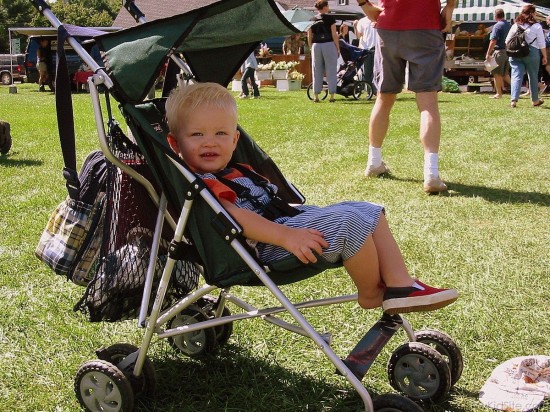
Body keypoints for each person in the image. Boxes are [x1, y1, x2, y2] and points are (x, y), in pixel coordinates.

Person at [165, 82, 459, 315]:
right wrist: (286, 236)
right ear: (175, 143)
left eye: (220, 133)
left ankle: (400, 284)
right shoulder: (203, 184)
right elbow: (233, 217)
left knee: (368, 209)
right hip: (261, 250)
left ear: (234, 140)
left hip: (284, 226)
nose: (209, 142)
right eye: (197, 134)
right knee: (349, 224)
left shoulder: (237, 169)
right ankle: (371, 294)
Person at [359, 0, 455, 194]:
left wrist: (364, 5)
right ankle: (431, 174)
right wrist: (450, 7)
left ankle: (374, 162)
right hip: (425, 25)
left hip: (388, 27)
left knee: (384, 97)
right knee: (428, 102)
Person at [506, 4, 547, 108]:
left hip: (515, 52)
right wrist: (545, 56)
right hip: (532, 52)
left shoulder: (515, 25)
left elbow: (507, 40)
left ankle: (513, 100)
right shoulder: (537, 26)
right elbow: (542, 43)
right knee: (533, 76)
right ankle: (535, 100)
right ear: (532, 13)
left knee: (516, 75)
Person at [307, 0, 340, 103]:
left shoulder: (312, 19)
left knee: (316, 70)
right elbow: (334, 34)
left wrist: (310, 47)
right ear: (325, 7)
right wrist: (337, 47)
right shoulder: (330, 18)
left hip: (316, 45)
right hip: (328, 44)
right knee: (331, 70)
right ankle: (332, 95)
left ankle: (316, 95)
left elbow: (309, 35)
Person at [485, 8, 511, 99]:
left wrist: (488, 53)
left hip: (499, 51)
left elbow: (493, 40)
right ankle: (516, 88)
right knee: (505, 73)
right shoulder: (509, 25)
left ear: (495, 16)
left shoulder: (497, 26)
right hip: (508, 51)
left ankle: (498, 93)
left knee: (496, 73)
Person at [354, 16, 377, 92]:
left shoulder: (378, 19)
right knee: (367, 71)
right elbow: (358, 36)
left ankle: (376, 90)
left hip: (377, 48)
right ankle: (369, 90)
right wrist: (355, 26)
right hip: (366, 49)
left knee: (377, 71)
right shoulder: (362, 21)